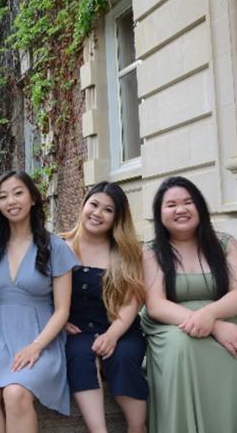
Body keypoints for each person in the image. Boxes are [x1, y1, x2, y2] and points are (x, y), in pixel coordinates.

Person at [141, 176, 237, 433]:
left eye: (188, 202)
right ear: (160, 214)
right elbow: (156, 305)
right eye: (171, 205)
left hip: (225, 317)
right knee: (182, 347)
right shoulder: (152, 251)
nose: (180, 209)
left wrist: (211, 315)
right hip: (172, 325)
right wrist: (214, 326)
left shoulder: (225, 244)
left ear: (200, 207)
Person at [0, 170, 77, 433]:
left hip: (40, 336)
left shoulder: (55, 247)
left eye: (18, 193)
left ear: (33, 198)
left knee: (16, 393)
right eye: (3, 196)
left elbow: (62, 310)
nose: (11, 201)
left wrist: (36, 346)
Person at [61, 181, 147, 433]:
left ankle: (137, 427)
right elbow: (43, 292)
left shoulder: (127, 252)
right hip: (77, 329)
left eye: (108, 210)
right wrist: (59, 321)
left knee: (122, 358)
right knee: (80, 356)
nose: (98, 213)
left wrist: (112, 335)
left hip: (120, 327)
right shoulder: (59, 246)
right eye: (94, 204)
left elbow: (133, 301)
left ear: (117, 218)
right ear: (84, 205)